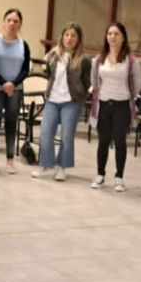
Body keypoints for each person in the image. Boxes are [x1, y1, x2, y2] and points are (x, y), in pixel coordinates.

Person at [34, 22, 91, 182]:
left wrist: (80, 95)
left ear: (78, 39)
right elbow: (49, 74)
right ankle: (46, 165)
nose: (69, 38)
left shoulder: (83, 59)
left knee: (66, 136)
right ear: (62, 37)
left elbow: (87, 82)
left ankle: (61, 167)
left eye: (73, 35)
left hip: (71, 102)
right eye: (67, 35)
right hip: (53, 100)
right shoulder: (53, 55)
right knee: (46, 133)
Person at [89, 21, 141, 192]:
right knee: (103, 140)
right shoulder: (99, 59)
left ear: (123, 38)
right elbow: (94, 81)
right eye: (110, 34)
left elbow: (137, 85)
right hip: (104, 103)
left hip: (122, 105)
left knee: (120, 140)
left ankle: (119, 177)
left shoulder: (131, 61)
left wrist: (129, 97)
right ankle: (100, 174)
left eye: (116, 34)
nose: (112, 37)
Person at [0, 8, 30, 174]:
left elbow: (26, 69)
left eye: (16, 21)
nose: (12, 24)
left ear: (20, 25)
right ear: (3, 22)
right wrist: (4, 83)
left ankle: (10, 159)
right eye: (9, 20)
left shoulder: (23, 45)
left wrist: (13, 84)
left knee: (12, 122)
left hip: (16, 89)